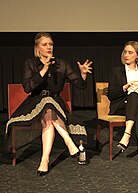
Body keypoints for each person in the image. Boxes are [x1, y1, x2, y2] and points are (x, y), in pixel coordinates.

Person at [6, 32, 92, 175]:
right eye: (44, 44)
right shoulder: (30, 63)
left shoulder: (61, 64)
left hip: (56, 103)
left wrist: (83, 74)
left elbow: (81, 85)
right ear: (37, 47)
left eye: (50, 44)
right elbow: (28, 88)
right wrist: (44, 69)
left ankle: (44, 160)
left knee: (49, 108)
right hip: (35, 103)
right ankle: (68, 141)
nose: (49, 47)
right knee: (46, 104)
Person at [108, 41, 138, 164]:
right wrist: (124, 87)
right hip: (122, 105)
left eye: (130, 52)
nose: (126, 55)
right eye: (125, 52)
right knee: (135, 97)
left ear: (137, 56)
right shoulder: (116, 71)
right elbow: (111, 95)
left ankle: (127, 135)